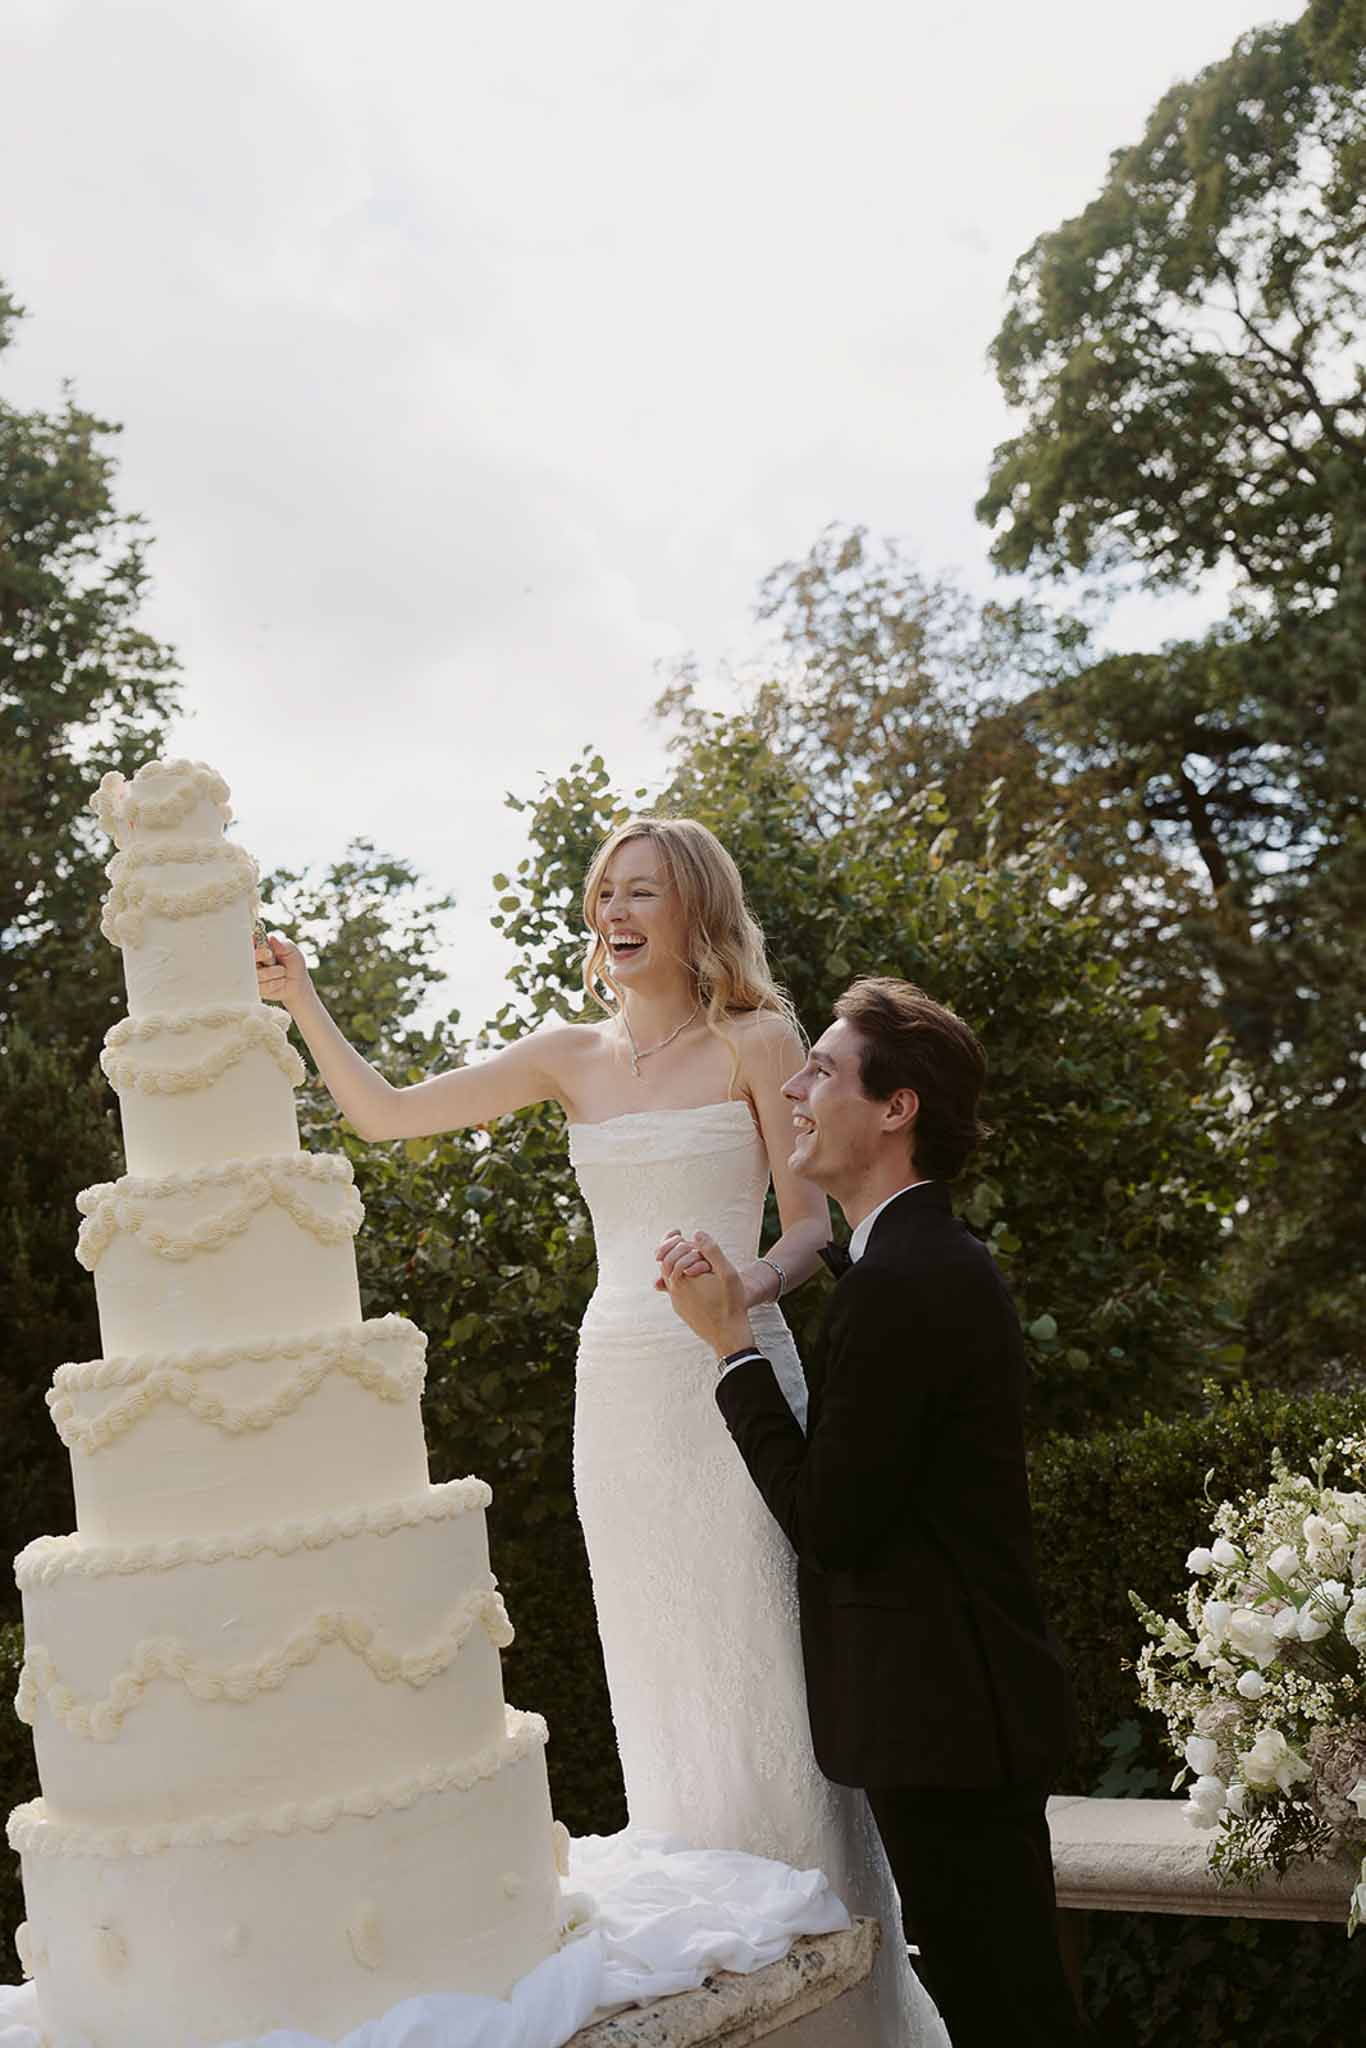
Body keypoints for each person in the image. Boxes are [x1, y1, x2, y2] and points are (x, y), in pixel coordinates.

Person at [256, 821, 946, 2045]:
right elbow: (384, 1113)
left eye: (643, 892)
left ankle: (847, 2004)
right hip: (618, 1390)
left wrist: (738, 1290)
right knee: (661, 1662)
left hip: (730, 1367)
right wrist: (305, 996)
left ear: (695, 913)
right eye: (604, 893)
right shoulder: (566, 1055)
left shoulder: (759, 1039)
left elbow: (810, 1229)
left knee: (765, 1662)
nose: (615, 911)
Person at [658, 976, 1084, 2048]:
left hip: (947, 1722)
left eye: (823, 1070)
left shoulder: (908, 1277)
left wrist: (732, 1348)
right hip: (952, 1720)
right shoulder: (907, 1262)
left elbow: (832, 1519)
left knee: (1012, 2015)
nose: (793, 1087)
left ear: (897, 1108)